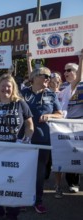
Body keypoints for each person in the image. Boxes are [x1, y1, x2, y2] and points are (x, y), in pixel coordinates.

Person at [0, 74, 34, 220]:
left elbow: (29, 125)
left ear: (13, 88)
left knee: (14, 182)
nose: (5, 88)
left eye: (9, 86)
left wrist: (26, 139)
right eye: (3, 85)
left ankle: (12, 213)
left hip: (16, 151)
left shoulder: (20, 104)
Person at [24, 56, 63, 214]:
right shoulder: (23, 92)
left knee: (40, 172)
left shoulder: (51, 95)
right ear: (34, 78)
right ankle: (22, 200)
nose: (48, 78)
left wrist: (50, 116)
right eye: (44, 76)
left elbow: (59, 113)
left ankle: (37, 200)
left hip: (43, 139)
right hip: (24, 139)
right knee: (23, 170)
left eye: (49, 76)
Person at [59, 50, 83, 194]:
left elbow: (79, 78)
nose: (66, 72)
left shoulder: (78, 84)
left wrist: (80, 60)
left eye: (69, 70)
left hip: (80, 124)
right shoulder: (62, 88)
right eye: (65, 70)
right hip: (66, 126)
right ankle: (72, 183)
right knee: (71, 154)